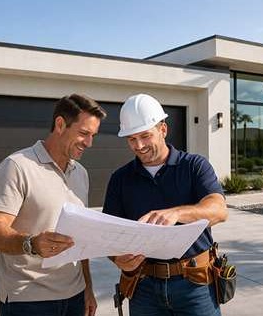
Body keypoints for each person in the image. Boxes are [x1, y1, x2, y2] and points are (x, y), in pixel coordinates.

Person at [103, 93, 228, 316]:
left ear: (163, 130)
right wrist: (118, 258)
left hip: (195, 285)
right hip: (143, 288)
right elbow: (109, 235)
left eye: (145, 136)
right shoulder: (120, 179)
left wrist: (177, 213)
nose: (139, 145)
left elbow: (219, 210)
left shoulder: (194, 166)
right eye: (132, 139)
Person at [0, 94, 107, 316]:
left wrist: (87, 287)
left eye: (93, 136)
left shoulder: (81, 174)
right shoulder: (17, 166)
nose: (89, 143)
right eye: (83, 133)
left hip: (75, 297)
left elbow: (80, 235)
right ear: (60, 124)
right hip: (29, 300)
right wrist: (31, 244)